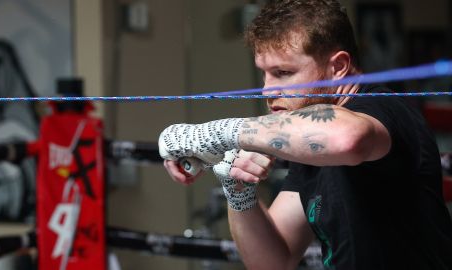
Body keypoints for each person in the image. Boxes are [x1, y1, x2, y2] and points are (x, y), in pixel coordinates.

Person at [158, 0, 452, 269]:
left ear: (338, 67)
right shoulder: (313, 145)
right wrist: (238, 191)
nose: (267, 90)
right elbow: (273, 261)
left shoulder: (384, 109)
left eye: (283, 73)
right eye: (264, 74)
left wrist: (219, 134)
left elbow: (345, 138)